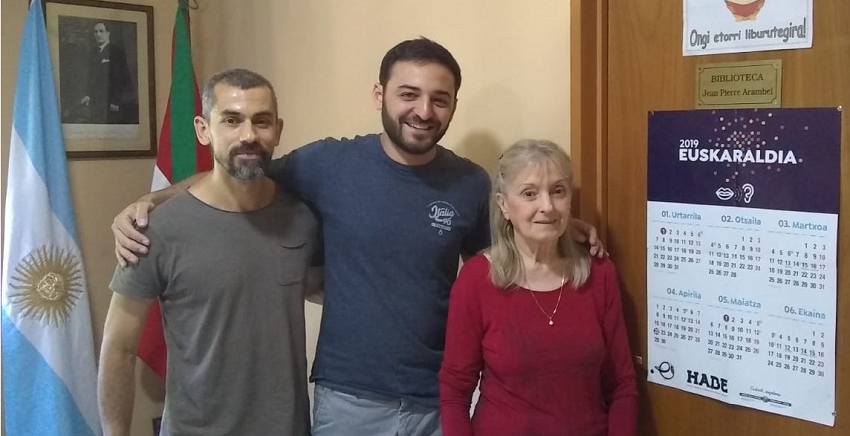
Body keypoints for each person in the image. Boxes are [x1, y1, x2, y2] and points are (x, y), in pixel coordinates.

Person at [112, 38, 604, 436]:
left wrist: (560, 226)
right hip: (347, 401)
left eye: (440, 98)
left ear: (454, 104)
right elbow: (241, 168)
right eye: (408, 94)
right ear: (380, 96)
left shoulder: (472, 184)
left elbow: (505, 267)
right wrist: (153, 201)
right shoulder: (328, 164)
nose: (424, 110)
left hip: (439, 398)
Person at [99, 68, 321, 436]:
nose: (248, 135)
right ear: (203, 129)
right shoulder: (156, 229)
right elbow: (118, 347)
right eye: (231, 120)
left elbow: (314, 285)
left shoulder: (302, 219)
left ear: (278, 130)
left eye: (261, 121)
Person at [439, 139, 637, 436]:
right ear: (504, 205)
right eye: (529, 193)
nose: (547, 206)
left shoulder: (599, 274)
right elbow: (455, 390)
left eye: (558, 191)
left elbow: (622, 385)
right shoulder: (477, 280)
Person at [80, 21, 137, 124]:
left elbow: (122, 79)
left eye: (101, 31)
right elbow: (91, 77)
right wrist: (88, 95)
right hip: (96, 103)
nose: (98, 34)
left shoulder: (116, 52)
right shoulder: (93, 53)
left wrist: (116, 102)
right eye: (95, 32)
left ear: (108, 33)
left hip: (112, 103)